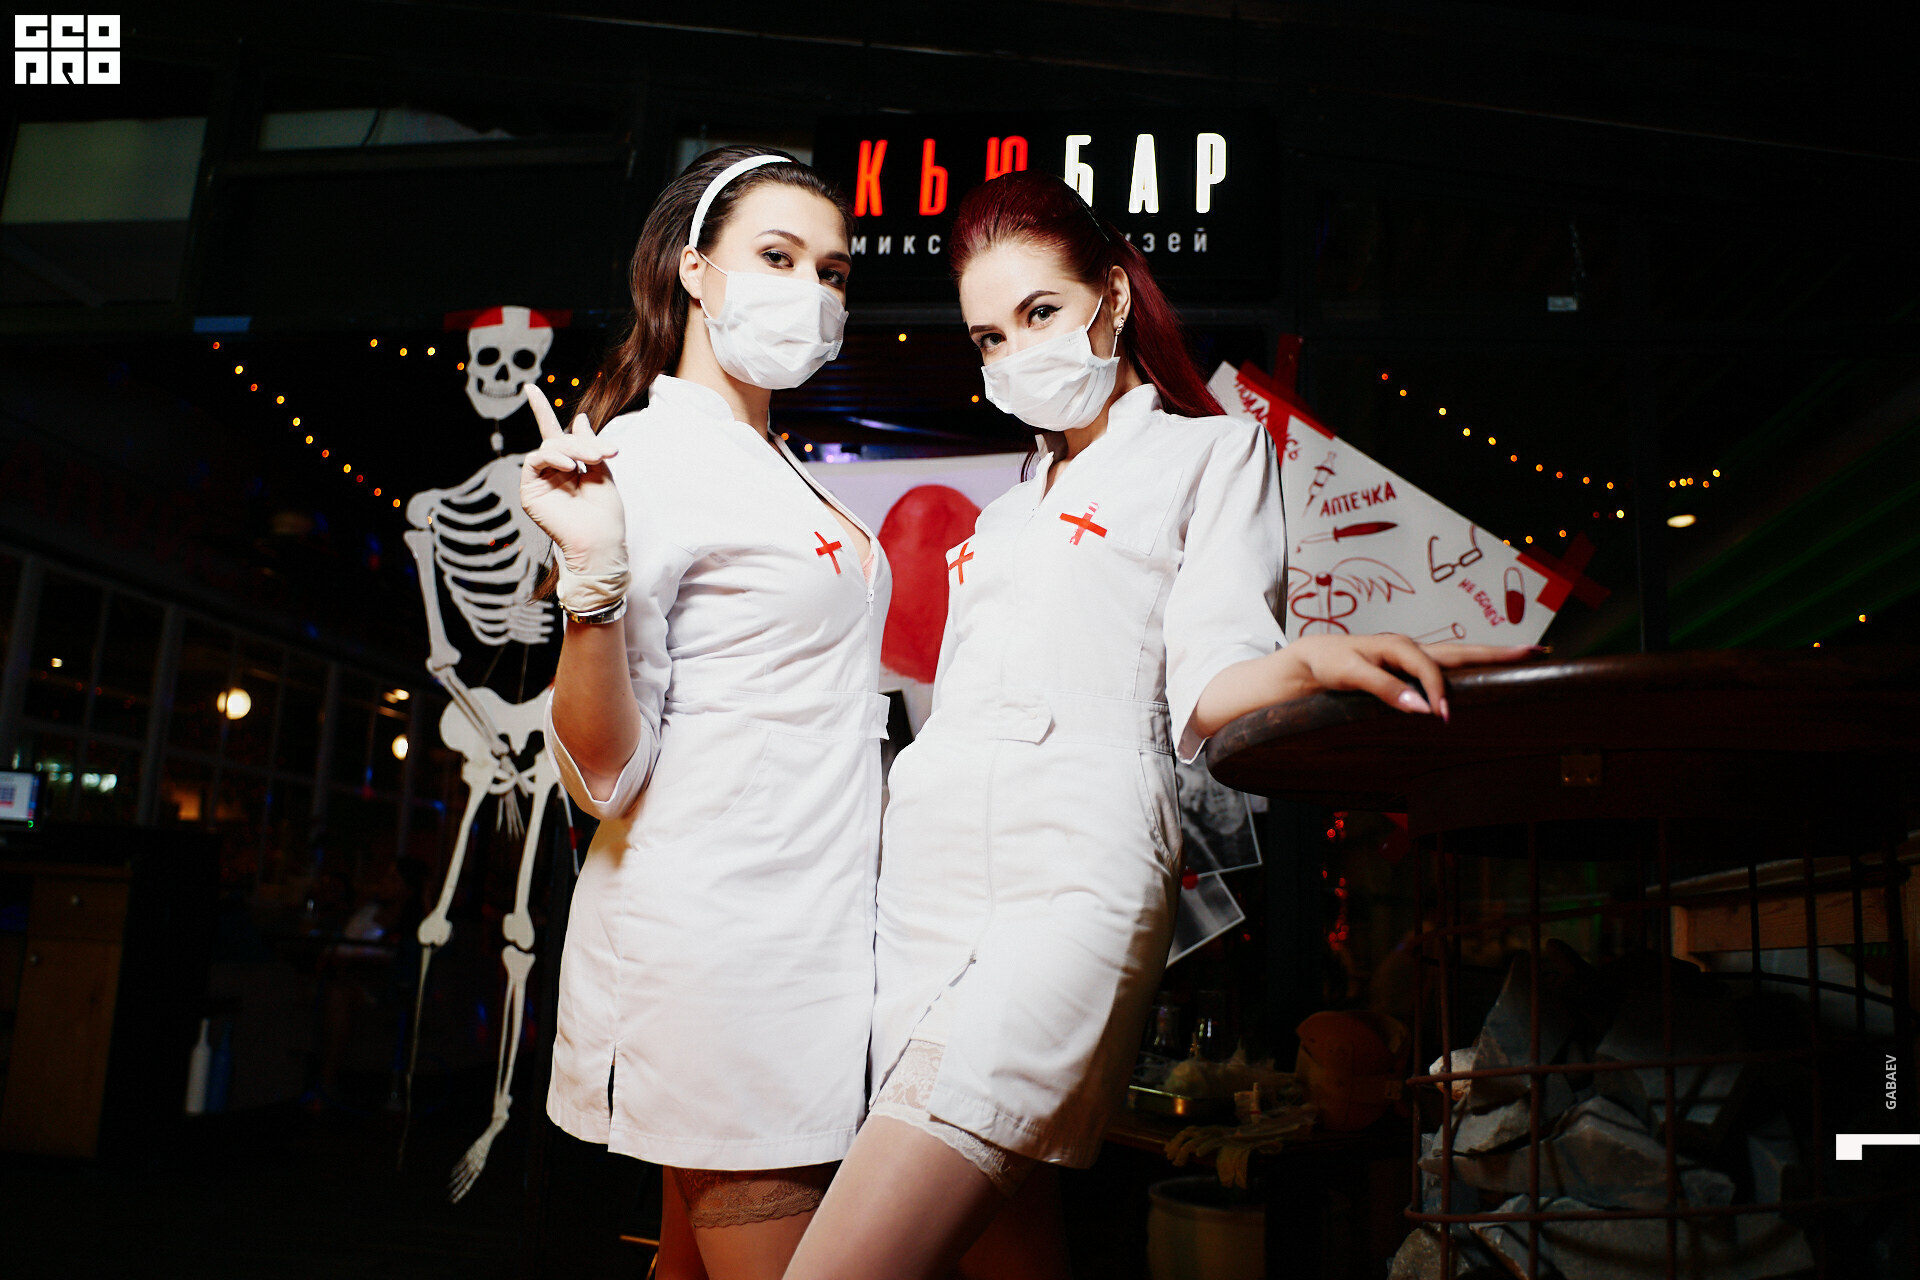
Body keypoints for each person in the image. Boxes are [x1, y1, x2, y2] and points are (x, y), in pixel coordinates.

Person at [783, 170, 1541, 1280]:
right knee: (1004, 1254)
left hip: (1072, 879)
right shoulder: (998, 521)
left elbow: (1213, 677)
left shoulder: (1211, 453)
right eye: (992, 336)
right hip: (920, 898)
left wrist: (1315, 657)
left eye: (1041, 311)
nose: (1017, 352)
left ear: (1113, 296)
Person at [518, 146, 889, 1280]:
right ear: (694, 271)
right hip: (718, 945)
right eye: (777, 256)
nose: (811, 289)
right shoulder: (646, 453)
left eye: (832, 271)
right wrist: (591, 587)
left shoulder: (772, 463)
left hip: (803, 930)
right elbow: (604, 773)